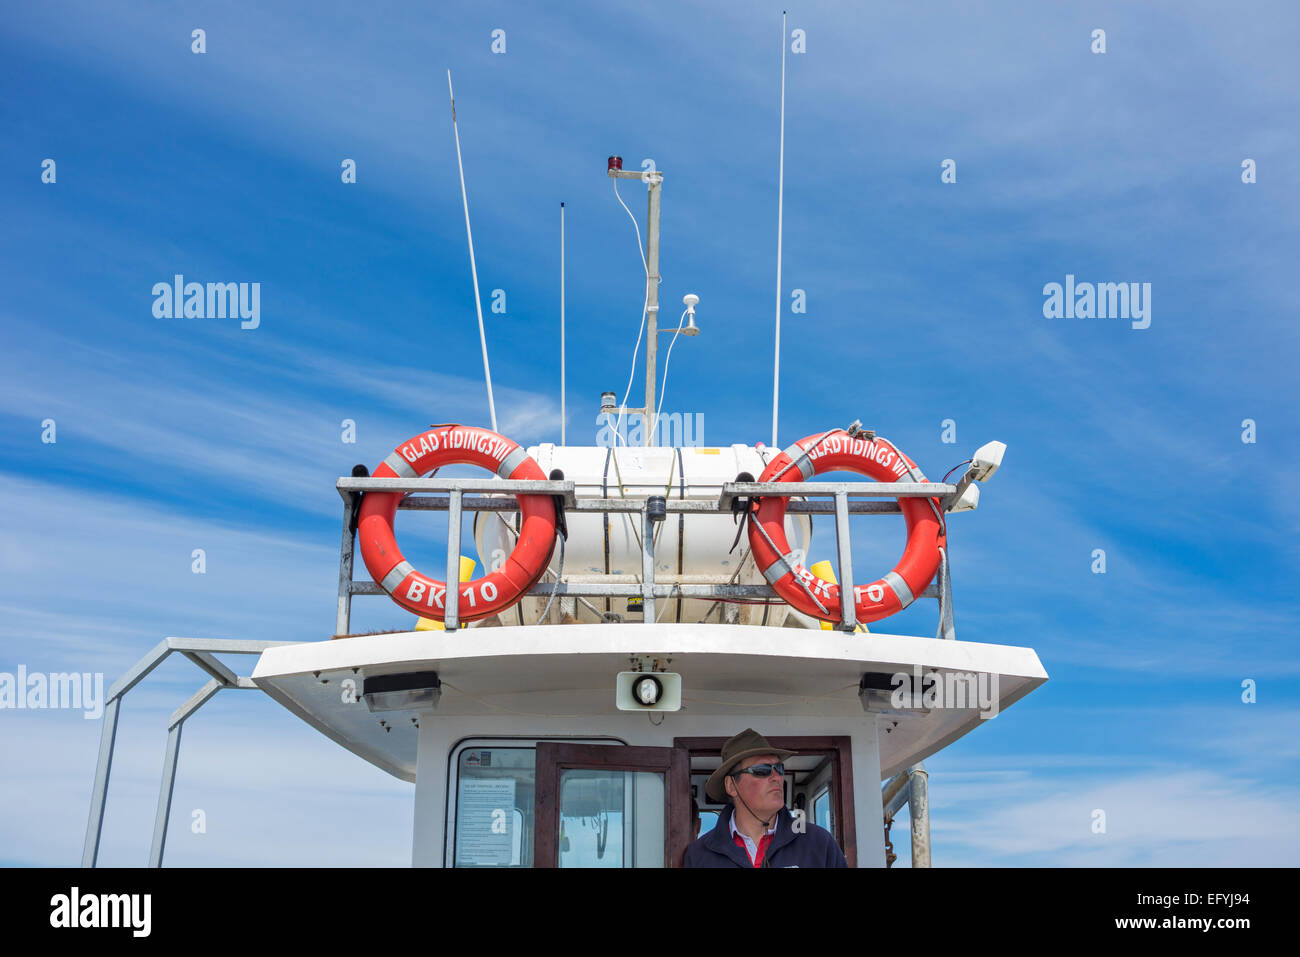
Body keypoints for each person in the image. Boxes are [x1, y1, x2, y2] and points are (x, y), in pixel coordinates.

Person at [682, 728, 848, 868]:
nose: (776, 777)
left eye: (779, 768)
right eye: (762, 770)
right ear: (731, 785)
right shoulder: (698, 855)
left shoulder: (818, 843)